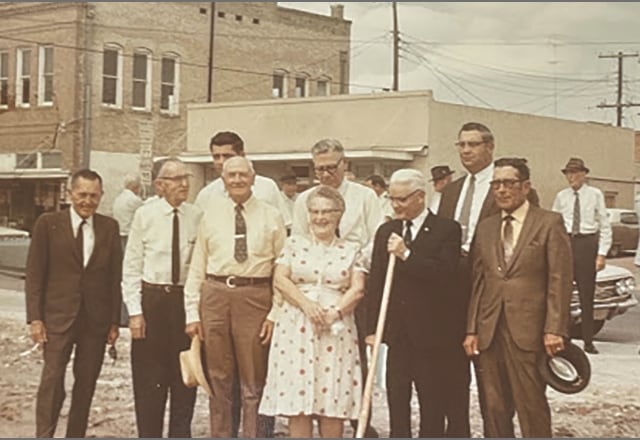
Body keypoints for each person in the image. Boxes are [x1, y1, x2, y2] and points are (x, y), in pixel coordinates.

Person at [437, 122, 540, 436]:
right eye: (462, 145)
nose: (466, 150)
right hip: (454, 294)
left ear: (490, 147)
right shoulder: (451, 191)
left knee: (494, 382)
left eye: (473, 144)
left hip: (493, 296)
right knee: (453, 375)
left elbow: (522, 244)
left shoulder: (507, 188)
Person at [464, 158, 573, 437]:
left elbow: (559, 280)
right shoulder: (486, 228)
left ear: (525, 187)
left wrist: (554, 328)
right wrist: (472, 329)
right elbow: (478, 281)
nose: (501, 190)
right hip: (489, 330)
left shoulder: (549, 223)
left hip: (529, 331)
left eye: (509, 183)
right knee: (493, 407)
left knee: (531, 405)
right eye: (496, 184)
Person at [184, 156, 286, 438]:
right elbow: (197, 266)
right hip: (215, 297)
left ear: (253, 178)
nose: (238, 180)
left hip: (254, 296)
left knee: (254, 380)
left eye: (243, 175)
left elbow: (282, 269)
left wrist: (274, 313)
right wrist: (192, 313)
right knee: (219, 379)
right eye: (232, 176)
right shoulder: (211, 214)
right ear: (223, 180)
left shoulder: (271, 215)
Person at [292, 138, 384, 437]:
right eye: (320, 169)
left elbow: (375, 239)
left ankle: (358, 423)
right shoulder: (305, 199)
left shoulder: (365, 197)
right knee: (311, 360)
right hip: (313, 291)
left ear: (345, 164)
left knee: (351, 358)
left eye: (332, 167)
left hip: (352, 283)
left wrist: (350, 264)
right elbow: (300, 241)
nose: (326, 174)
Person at [259, 185, 366, 438]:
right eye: (315, 211)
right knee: (299, 402)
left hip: (335, 330)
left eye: (327, 211)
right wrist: (306, 305)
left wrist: (335, 313)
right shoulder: (294, 244)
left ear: (339, 214)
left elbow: (358, 288)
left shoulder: (351, 249)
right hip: (297, 326)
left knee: (332, 399)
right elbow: (281, 279)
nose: (320, 217)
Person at [25, 169, 122, 438]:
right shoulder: (47, 223)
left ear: (101, 196)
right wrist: (35, 318)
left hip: (95, 321)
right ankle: (44, 434)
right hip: (57, 318)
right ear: (70, 194)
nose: (87, 201)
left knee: (86, 384)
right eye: (82, 194)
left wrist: (114, 321)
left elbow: (115, 278)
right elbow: (34, 275)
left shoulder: (109, 228)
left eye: (93, 195)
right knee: (52, 381)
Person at [366, 169, 462, 437]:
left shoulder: (446, 229)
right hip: (398, 335)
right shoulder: (387, 230)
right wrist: (372, 327)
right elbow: (377, 280)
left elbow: (444, 274)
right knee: (397, 399)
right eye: (392, 199)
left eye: (402, 199)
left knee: (432, 401)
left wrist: (407, 254)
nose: (396, 205)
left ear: (420, 197)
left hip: (432, 335)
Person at [122, 159, 203, 437]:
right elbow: (131, 266)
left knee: (184, 380)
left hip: (184, 304)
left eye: (186, 177)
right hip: (152, 303)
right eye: (177, 178)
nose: (184, 183)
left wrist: (195, 314)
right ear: (160, 185)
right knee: (149, 384)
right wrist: (134, 312)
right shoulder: (145, 215)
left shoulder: (196, 216)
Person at [552, 157, 611, 354]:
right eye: (569, 173)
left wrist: (601, 254)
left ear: (584, 174)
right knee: (563, 294)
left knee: (586, 295)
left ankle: (588, 340)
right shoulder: (561, 196)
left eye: (576, 173)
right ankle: (563, 337)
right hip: (567, 243)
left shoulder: (595, 194)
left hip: (586, 244)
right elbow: (555, 224)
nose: (572, 177)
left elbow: (604, 224)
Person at [194, 130, 290, 228]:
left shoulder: (267, 187)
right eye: (216, 157)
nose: (221, 161)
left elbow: (284, 225)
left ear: (242, 155)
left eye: (227, 156)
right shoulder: (206, 195)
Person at [112, 173, 143, 250]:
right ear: (135, 187)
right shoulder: (134, 199)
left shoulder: (119, 197)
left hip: (119, 232)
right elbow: (145, 213)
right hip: (128, 234)